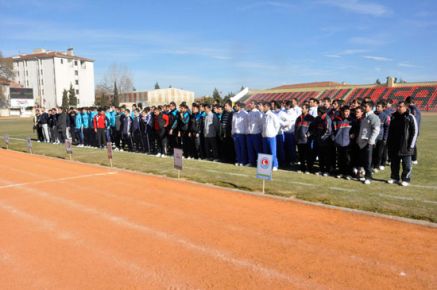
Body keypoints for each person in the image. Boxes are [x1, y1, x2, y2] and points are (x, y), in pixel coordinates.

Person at [387, 101, 418, 186]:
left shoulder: (410, 117)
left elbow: (415, 132)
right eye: (397, 106)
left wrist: (411, 146)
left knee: (406, 164)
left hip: (406, 146)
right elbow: (390, 131)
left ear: (405, 107)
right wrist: (389, 143)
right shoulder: (393, 116)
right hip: (394, 145)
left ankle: (406, 179)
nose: (398, 108)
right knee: (394, 163)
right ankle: (394, 177)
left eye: (400, 106)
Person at [357, 101, 380, 184]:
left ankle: (369, 177)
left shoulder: (374, 117)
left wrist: (371, 141)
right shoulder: (365, 117)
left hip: (368, 142)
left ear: (370, 107)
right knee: (363, 160)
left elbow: (376, 130)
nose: (363, 108)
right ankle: (365, 175)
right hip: (362, 142)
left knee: (368, 161)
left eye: (365, 106)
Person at [333, 106, 353, 179]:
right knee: (340, 159)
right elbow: (332, 131)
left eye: (348, 111)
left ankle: (348, 173)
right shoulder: (336, 120)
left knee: (348, 159)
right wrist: (334, 139)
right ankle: (340, 172)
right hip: (338, 143)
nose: (347, 113)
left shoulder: (351, 121)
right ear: (341, 112)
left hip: (348, 144)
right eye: (345, 111)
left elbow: (354, 131)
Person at [295, 104, 315, 173]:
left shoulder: (311, 118)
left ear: (307, 109)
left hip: (307, 141)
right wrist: (296, 137)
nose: (302, 109)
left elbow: (313, 129)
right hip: (299, 140)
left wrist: (308, 134)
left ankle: (309, 169)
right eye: (302, 108)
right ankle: (302, 168)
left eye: (303, 108)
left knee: (308, 156)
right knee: (301, 156)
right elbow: (296, 128)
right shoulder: (298, 118)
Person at [261, 102, 281, 171]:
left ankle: (275, 165)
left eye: (265, 106)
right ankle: (266, 165)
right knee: (265, 151)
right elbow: (262, 126)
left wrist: (274, 133)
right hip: (264, 136)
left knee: (273, 152)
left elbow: (277, 125)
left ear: (269, 107)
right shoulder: (263, 115)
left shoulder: (272, 115)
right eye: (263, 106)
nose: (263, 108)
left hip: (271, 136)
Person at [373, 101, 390, 171]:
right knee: (373, 152)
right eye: (376, 106)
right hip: (373, 137)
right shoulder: (373, 115)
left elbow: (387, 128)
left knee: (379, 153)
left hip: (381, 137)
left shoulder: (385, 116)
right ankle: (373, 165)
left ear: (383, 108)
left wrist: (385, 138)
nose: (377, 108)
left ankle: (377, 165)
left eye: (379, 107)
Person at [246, 100, 264, 167]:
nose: (250, 104)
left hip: (256, 134)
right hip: (249, 134)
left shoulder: (258, 113)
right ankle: (251, 162)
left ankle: (260, 164)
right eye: (250, 103)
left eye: (252, 103)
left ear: (255, 105)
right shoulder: (249, 113)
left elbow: (261, 124)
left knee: (258, 149)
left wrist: (260, 132)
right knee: (250, 149)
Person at [231, 102, 248, 166]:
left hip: (242, 133)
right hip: (235, 133)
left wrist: (246, 133)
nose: (235, 107)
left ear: (239, 106)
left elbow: (246, 124)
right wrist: (232, 132)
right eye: (235, 106)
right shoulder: (234, 114)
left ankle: (243, 161)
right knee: (237, 148)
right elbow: (233, 124)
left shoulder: (245, 114)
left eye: (236, 106)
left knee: (242, 148)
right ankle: (238, 160)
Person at [405, 96, 421, 165]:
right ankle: (413, 159)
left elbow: (414, 121)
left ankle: (413, 158)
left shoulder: (412, 109)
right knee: (413, 143)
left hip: (412, 130)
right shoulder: (416, 109)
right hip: (416, 130)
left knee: (412, 144)